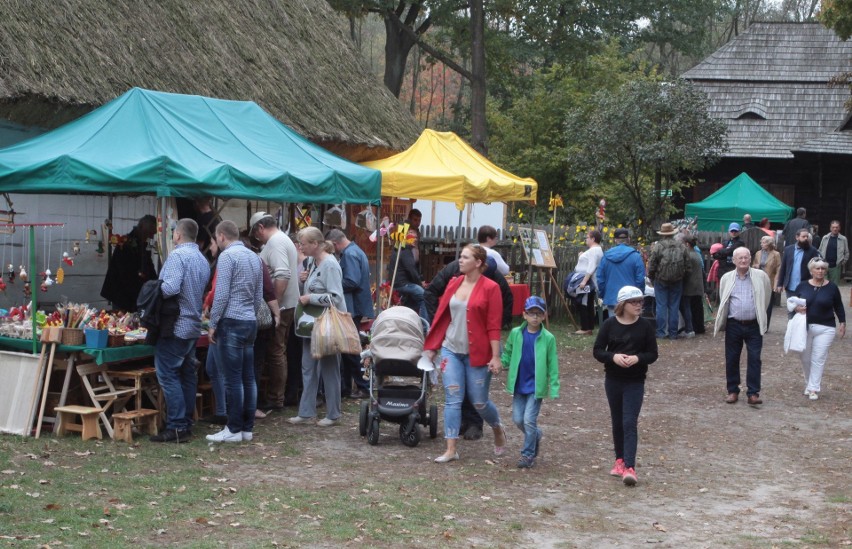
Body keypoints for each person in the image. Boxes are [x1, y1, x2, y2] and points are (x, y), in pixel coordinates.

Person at [424, 244, 507, 463]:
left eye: (465, 257)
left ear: (478, 263)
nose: (460, 260)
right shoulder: (454, 282)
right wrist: (433, 347)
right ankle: (451, 449)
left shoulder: (491, 288)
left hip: (478, 354)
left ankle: (497, 428)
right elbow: (442, 316)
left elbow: (494, 325)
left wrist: (496, 356)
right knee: (452, 399)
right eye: (460, 257)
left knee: (479, 402)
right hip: (451, 349)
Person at [150, 219, 210, 443]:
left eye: (174, 231)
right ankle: (184, 422)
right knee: (186, 375)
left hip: (176, 324)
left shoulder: (178, 256)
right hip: (192, 323)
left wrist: (153, 290)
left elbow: (171, 287)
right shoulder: (201, 258)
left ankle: (176, 426)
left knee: (168, 375)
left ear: (177, 235)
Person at [593, 286, 658, 487]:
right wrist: (613, 357)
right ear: (623, 305)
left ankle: (630, 467)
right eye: (635, 302)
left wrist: (637, 358)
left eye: (641, 301)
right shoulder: (609, 325)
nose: (639, 305)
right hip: (613, 379)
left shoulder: (646, 326)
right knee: (617, 421)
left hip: (635, 381)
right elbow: (597, 351)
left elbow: (652, 354)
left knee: (630, 422)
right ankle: (619, 460)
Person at [205, 221, 264, 443]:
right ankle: (246, 428)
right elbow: (259, 295)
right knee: (248, 378)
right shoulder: (254, 256)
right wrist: (252, 313)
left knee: (232, 379)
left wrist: (213, 323)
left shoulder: (228, 257)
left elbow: (221, 295)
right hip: (249, 320)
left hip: (231, 321)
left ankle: (233, 428)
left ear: (221, 236)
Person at [289, 227, 346, 427]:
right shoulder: (313, 262)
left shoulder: (330, 264)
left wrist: (310, 297)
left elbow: (336, 297)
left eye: (303, 243)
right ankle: (306, 411)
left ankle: (333, 413)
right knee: (308, 367)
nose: (300, 247)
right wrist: (305, 281)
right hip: (310, 326)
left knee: (330, 369)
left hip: (326, 326)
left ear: (315, 244)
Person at [501, 296, 559, 469]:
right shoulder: (516, 333)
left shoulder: (548, 338)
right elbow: (508, 352)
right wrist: (501, 363)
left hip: (536, 386)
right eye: (531, 313)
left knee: (528, 420)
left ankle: (527, 455)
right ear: (524, 315)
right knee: (518, 419)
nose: (535, 317)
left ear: (544, 316)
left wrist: (554, 387)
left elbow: (552, 364)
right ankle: (535, 435)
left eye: (539, 313)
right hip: (519, 384)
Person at [251, 211, 299, 410]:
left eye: (256, 234)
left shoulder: (276, 242)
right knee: (278, 350)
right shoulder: (282, 240)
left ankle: (275, 398)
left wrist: (275, 304)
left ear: (260, 228)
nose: (257, 238)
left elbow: (282, 274)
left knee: (276, 351)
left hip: (283, 305)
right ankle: (277, 396)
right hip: (288, 304)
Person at [715, 247, 772, 406]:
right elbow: (723, 298)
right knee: (732, 358)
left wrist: (760, 313)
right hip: (734, 324)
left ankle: (753, 393)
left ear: (750, 259)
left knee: (755, 358)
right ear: (734, 260)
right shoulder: (727, 278)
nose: (743, 260)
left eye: (746, 257)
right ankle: (732, 390)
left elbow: (766, 296)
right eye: (739, 258)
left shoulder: (761, 276)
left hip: (754, 324)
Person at [790, 257, 846, 400]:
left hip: (826, 327)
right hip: (805, 326)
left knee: (818, 358)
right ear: (811, 270)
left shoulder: (832, 287)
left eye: (823, 268)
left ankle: (813, 388)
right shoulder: (802, 286)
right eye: (817, 268)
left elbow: (838, 306)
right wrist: (796, 308)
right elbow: (792, 303)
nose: (820, 271)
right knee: (805, 358)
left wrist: (843, 322)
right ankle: (809, 383)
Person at [328, 229, 373, 399]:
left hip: (351, 307)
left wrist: (331, 284)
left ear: (334, 243)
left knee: (349, 349)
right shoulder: (355, 251)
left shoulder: (349, 255)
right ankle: (347, 387)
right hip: (354, 306)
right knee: (348, 349)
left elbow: (351, 281)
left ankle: (362, 386)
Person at [100, 214, 158, 312]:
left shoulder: (142, 244)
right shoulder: (126, 243)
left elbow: (149, 266)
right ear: (142, 228)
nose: (151, 236)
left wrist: (156, 283)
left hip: (132, 292)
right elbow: (124, 273)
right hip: (122, 293)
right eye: (150, 233)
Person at [647, 222, 692, 340]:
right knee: (674, 306)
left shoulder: (658, 246)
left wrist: (652, 277)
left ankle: (661, 332)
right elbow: (688, 265)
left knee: (661, 306)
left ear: (662, 234)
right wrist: (683, 277)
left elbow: (652, 265)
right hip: (677, 280)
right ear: (673, 233)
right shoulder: (681, 246)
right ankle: (673, 333)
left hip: (660, 280)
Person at [597, 228, 646, 316]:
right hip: (632, 299)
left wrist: (603, 294)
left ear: (615, 240)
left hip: (612, 297)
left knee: (615, 326)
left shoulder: (606, 256)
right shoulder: (636, 256)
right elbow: (640, 279)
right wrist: (639, 295)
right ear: (628, 239)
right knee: (632, 326)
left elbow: (600, 279)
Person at [776, 228, 821, 302]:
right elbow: (783, 267)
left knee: (803, 309)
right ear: (797, 237)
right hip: (790, 286)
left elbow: (816, 268)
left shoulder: (812, 251)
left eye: (807, 237)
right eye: (803, 237)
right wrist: (780, 284)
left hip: (805, 286)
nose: (806, 238)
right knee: (791, 309)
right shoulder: (788, 250)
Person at [573, 229, 604, 335]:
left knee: (584, 303)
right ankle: (589, 327)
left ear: (593, 239)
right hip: (589, 281)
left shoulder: (594, 250)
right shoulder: (595, 250)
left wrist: (584, 281)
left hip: (587, 282)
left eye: (587, 237)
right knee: (588, 303)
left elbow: (591, 266)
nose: (586, 239)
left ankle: (585, 328)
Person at [388, 239, 426, 319]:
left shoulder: (398, 249)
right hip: (402, 284)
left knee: (414, 298)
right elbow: (411, 270)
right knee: (424, 296)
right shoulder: (405, 251)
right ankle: (424, 324)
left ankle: (410, 315)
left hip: (397, 283)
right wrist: (420, 283)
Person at [679, 235, 705, 338]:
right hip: (698, 285)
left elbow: (686, 271)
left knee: (686, 307)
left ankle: (689, 329)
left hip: (689, 285)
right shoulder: (697, 254)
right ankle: (698, 327)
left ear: (687, 244)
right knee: (697, 307)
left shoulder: (688, 255)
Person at [752, 235, 781, 325]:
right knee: (757, 303)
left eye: (763, 242)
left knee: (768, 304)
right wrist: (756, 266)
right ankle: (756, 323)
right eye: (761, 242)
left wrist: (776, 284)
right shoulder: (758, 253)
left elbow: (778, 270)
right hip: (758, 280)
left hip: (769, 282)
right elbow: (753, 265)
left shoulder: (776, 254)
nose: (761, 244)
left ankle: (765, 325)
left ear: (769, 244)